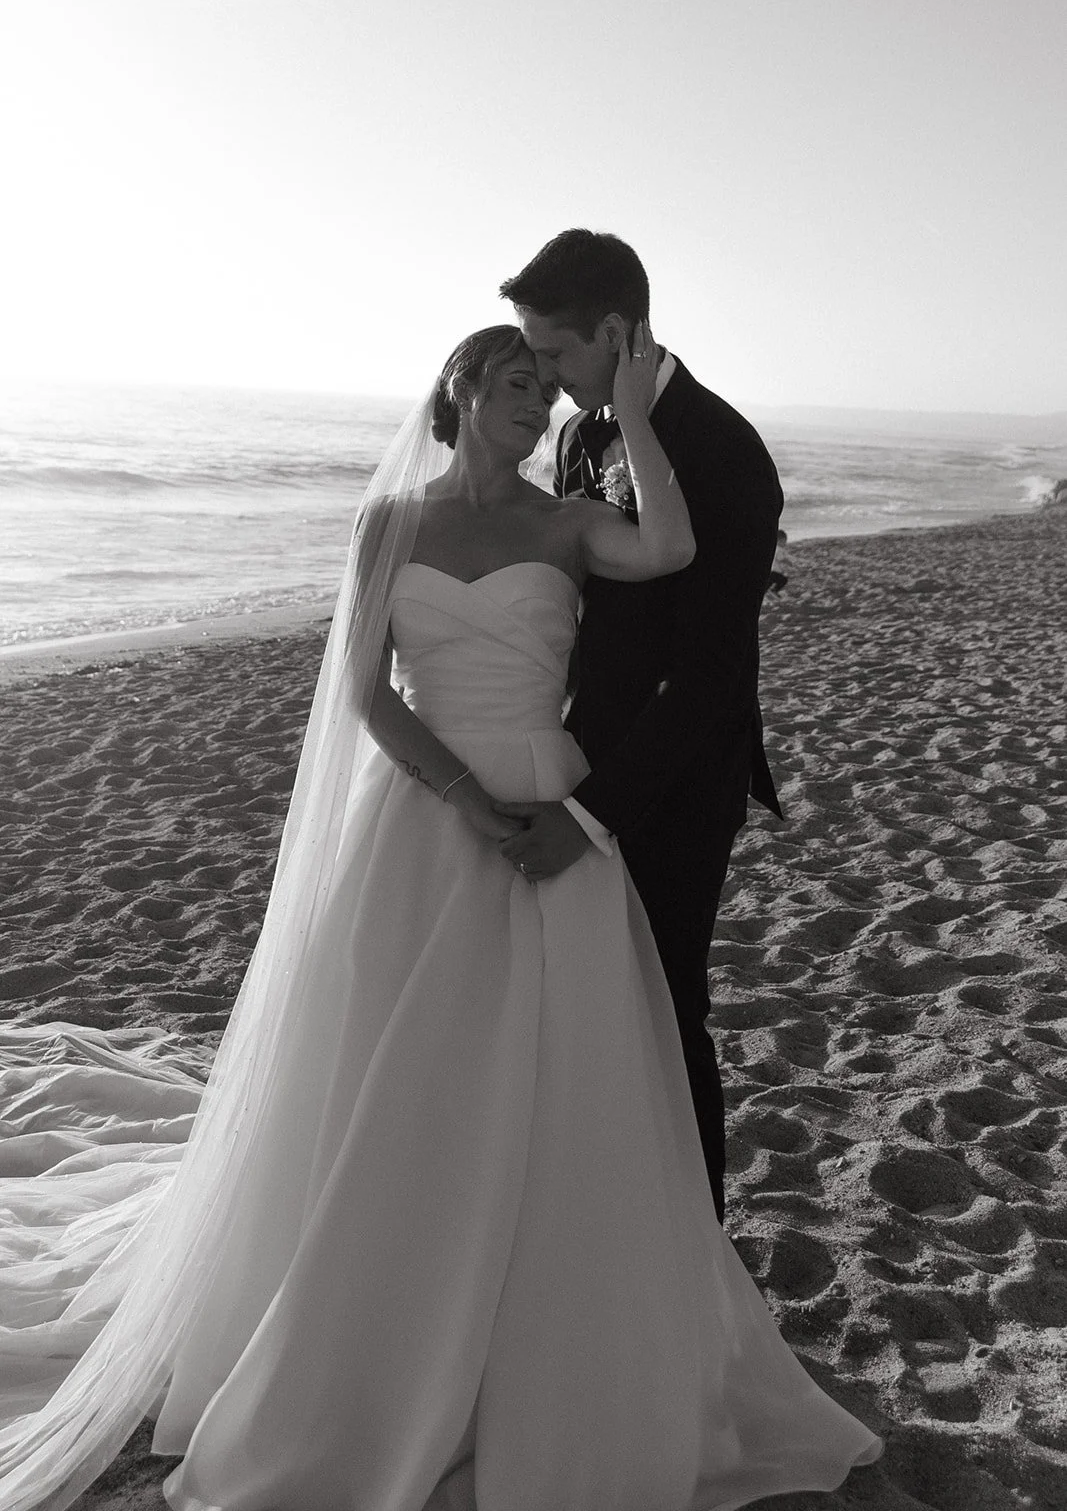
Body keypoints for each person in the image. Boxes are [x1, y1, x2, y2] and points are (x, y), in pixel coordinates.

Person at [0, 327, 880, 1511]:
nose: (533, 399)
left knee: (553, 1076)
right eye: (512, 381)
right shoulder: (390, 526)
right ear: (458, 394)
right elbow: (362, 691)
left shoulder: (567, 520)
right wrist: (464, 795)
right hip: (420, 817)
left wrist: (631, 410)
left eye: (541, 383)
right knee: (386, 1068)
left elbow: (668, 544)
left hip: (550, 802)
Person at [498, 230, 784, 1224]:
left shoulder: (727, 453)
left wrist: (588, 815)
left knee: (667, 1011)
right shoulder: (579, 440)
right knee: (578, 1004)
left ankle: (695, 1248)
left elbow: (708, 678)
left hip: (677, 784)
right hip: (579, 761)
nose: (542, 374)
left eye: (554, 352)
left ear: (614, 331)